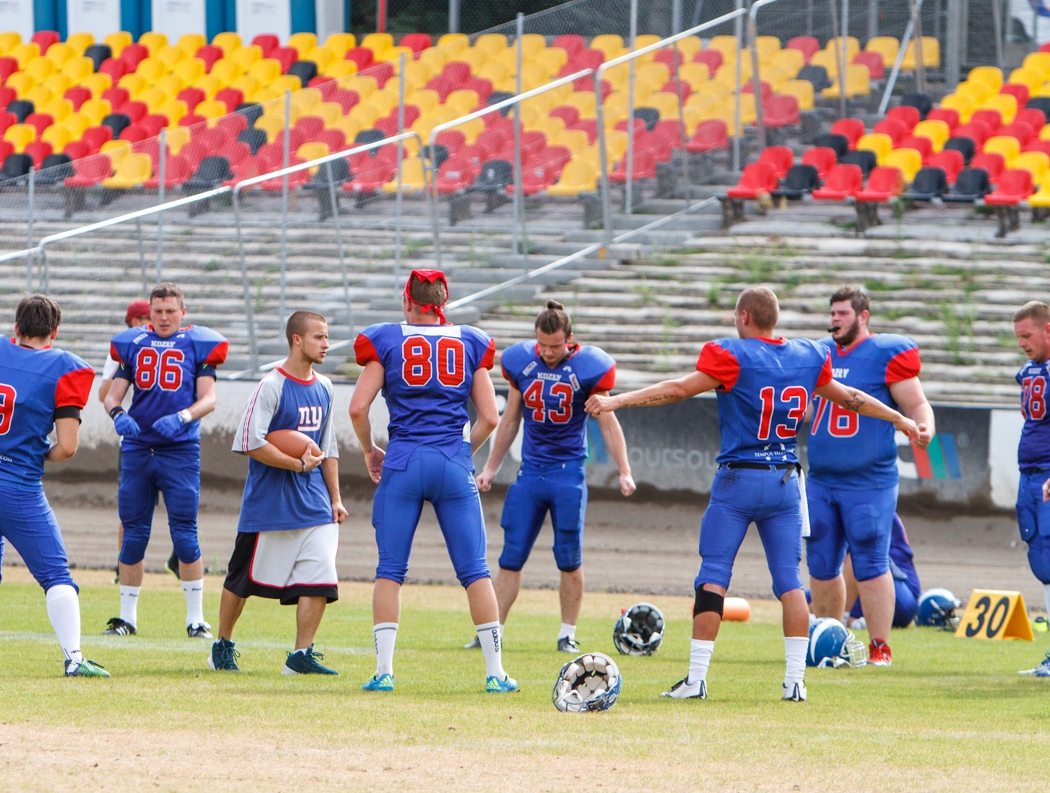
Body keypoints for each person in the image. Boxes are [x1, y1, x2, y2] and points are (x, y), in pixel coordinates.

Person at [585, 286, 928, 702]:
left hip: (739, 479)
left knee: (713, 575)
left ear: (745, 316)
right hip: (786, 482)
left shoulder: (732, 355)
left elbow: (677, 389)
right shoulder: (808, 355)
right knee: (788, 581)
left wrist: (616, 402)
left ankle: (696, 679)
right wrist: (901, 420)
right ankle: (795, 682)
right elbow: (853, 399)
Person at [348, 269, 515, 694]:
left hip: (403, 460)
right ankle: (495, 673)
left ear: (408, 302)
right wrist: (462, 453)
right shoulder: (469, 340)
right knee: (475, 570)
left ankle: (384, 671)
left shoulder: (385, 339)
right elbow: (490, 417)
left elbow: (356, 408)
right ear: (444, 302)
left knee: (390, 570)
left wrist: (370, 450)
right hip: (451, 461)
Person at [0, 293, 105, 677]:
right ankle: (74, 658)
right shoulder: (64, 368)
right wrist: (33, 452)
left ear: (16, 327)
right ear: (55, 331)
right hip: (17, 486)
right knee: (56, 576)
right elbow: (66, 446)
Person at [474, 300, 635, 653]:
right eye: (542, 345)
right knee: (511, 555)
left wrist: (624, 470)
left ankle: (567, 632)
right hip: (530, 473)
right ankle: (493, 632)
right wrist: (490, 467)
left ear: (570, 339)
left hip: (567, 475)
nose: (547, 353)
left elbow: (607, 421)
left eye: (555, 346)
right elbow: (511, 420)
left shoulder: (588, 368)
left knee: (568, 556)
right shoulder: (522, 363)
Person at [803, 285, 934, 667]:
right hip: (822, 477)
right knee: (821, 561)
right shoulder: (819, 353)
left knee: (871, 560)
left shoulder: (885, 353)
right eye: (832, 314)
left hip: (870, 480)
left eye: (842, 313)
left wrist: (923, 428)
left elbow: (917, 402)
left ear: (863, 316)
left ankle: (880, 647)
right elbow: (809, 409)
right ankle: (830, 640)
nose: (834, 320)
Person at [212, 310, 347, 676]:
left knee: (320, 576)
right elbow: (250, 442)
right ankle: (222, 644)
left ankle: (301, 655)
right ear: (296, 340)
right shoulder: (272, 385)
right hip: (270, 505)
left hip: (315, 504)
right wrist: (296, 464)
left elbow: (327, 446)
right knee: (241, 580)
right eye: (319, 337)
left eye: (327, 336)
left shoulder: (326, 387)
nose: (326, 344)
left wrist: (335, 497)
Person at [101, 282, 229, 639]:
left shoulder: (197, 345)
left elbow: (209, 399)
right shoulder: (134, 344)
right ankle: (127, 618)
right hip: (139, 449)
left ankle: (196, 619)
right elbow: (112, 395)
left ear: (182, 313)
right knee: (133, 534)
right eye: (157, 311)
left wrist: (184, 418)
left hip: (179, 450)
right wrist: (117, 415)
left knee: (185, 534)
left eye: (170, 310)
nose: (163, 317)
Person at [97, 297, 181, 580]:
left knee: (181, 509)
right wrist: (126, 364)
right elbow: (103, 395)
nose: (160, 320)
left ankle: (179, 558)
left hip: (173, 441)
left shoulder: (177, 344)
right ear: (136, 322)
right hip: (136, 440)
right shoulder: (128, 346)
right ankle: (123, 568)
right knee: (132, 513)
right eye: (152, 315)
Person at [1011, 300, 1050, 678]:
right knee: (1042, 560)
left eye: (1027, 335)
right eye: (1018, 336)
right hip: (1030, 474)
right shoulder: (1029, 371)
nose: (1021, 343)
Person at [842, 513, 920, 630]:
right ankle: (849, 620)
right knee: (816, 598)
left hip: (896, 590)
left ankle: (842, 620)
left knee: (860, 554)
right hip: (902, 594)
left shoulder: (860, 505)